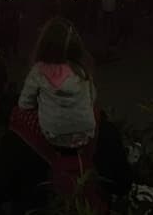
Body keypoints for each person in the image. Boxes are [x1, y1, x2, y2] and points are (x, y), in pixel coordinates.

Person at [18, 17, 95, 148]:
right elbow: (92, 98)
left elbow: (24, 103)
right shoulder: (81, 70)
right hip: (85, 133)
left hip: (53, 135)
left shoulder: (39, 70)